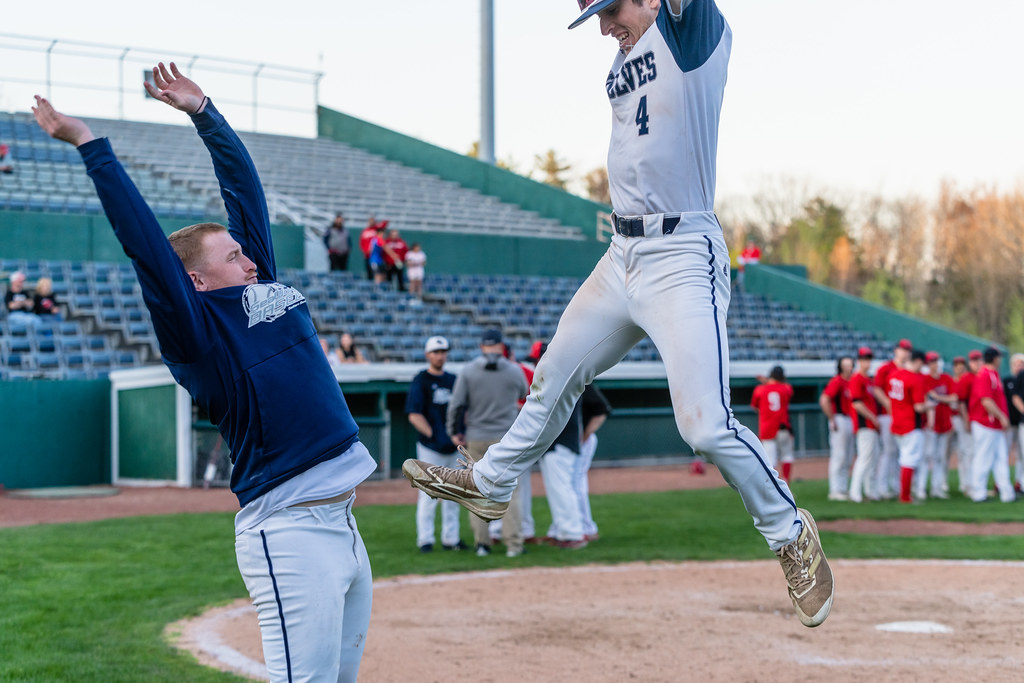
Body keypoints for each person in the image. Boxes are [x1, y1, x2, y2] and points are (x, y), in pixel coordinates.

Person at [404, 0, 833, 628]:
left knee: (706, 426)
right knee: (553, 374)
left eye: (612, 9)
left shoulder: (689, 33)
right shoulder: (626, 52)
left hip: (682, 252)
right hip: (621, 252)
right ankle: (493, 484)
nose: (605, 26)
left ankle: (790, 532)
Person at [32, 64, 377, 682]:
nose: (250, 256)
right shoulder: (196, 331)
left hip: (343, 522)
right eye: (233, 254)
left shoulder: (260, 285)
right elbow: (143, 245)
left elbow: (245, 191)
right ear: (195, 279)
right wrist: (91, 146)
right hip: (290, 530)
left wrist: (204, 113)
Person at [444, 328, 529, 558]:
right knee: (511, 491)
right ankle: (514, 544)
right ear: (501, 347)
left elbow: (456, 405)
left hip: (477, 438)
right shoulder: (514, 370)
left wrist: (454, 432)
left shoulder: (469, 371)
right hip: (507, 439)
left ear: (482, 346)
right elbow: (525, 393)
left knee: (478, 491)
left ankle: (482, 544)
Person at [406, 336, 465, 553]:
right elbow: (414, 415)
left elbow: (463, 411)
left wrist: (458, 434)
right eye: (436, 352)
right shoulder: (420, 380)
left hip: (453, 447)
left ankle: (452, 539)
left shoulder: (453, 379)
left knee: (454, 494)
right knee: (429, 494)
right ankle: (426, 540)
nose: (440, 355)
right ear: (427, 355)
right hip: (430, 448)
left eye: (443, 352)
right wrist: (434, 436)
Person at [967, 346, 1014, 503]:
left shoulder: (993, 374)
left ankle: (1007, 493)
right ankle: (978, 493)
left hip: (994, 425)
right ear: (995, 359)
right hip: (984, 423)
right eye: (999, 357)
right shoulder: (984, 375)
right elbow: (986, 401)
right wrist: (1002, 417)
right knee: (983, 458)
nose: (1000, 360)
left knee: (1001, 458)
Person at [884, 349, 929, 503]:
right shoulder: (915, 379)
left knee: (903, 459)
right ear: (918, 361)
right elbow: (919, 407)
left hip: (896, 422)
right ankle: (905, 496)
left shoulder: (893, 374)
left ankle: (902, 492)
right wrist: (931, 405)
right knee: (908, 460)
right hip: (911, 423)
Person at [872, 339, 913, 499]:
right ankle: (882, 486)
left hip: (904, 417)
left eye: (907, 350)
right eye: (903, 349)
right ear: (896, 350)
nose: (905, 352)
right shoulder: (886, 368)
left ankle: (896, 486)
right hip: (887, 415)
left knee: (900, 452)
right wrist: (890, 405)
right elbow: (877, 389)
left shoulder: (908, 370)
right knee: (888, 451)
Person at [917, 351, 956, 500]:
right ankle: (920, 488)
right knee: (927, 457)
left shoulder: (946, 378)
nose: (935, 364)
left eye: (936, 361)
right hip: (930, 424)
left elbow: (954, 397)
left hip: (945, 423)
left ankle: (936, 488)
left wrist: (939, 397)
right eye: (931, 362)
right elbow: (928, 398)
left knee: (940, 457)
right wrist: (942, 399)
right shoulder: (925, 379)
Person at [577, 382, 612, 540]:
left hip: (583, 440)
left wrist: (585, 435)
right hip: (575, 440)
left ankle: (587, 528)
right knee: (572, 484)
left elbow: (602, 410)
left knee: (577, 482)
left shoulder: (581, 382)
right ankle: (577, 527)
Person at [846, 347, 880, 503]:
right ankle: (855, 492)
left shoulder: (868, 379)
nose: (867, 362)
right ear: (859, 361)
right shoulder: (857, 378)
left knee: (873, 458)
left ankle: (870, 490)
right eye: (864, 359)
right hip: (864, 423)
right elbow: (856, 403)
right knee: (864, 458)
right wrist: (873, 417)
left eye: (869, 359)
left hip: (871, 424)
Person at [750, 365, 795, 483]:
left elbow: (755, 407)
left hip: (767, 428)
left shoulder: (760, 389)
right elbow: (785, 388)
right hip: (783, 427)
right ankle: (787, 487)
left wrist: (766, 382)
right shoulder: (786, 388)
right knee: (787, 456)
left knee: (770, 460)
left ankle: (775, 489)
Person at [819, 356, 854, 500]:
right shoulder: (837, 381)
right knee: (838, 456)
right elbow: (824, 399)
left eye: (850, 364)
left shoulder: (851, 381)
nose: (849, 367)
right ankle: (835, 490)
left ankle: (843, 488)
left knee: (848, 456)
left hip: (849, 419)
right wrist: (832, 418)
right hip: (839, 418)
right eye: (846, 365)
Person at [950, 355, 975, 495]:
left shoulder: (967, 380)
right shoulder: (950, 381)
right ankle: (942, 485)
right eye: (956, 365)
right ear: (953, 367)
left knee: (966, 452)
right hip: (949, 418)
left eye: (961, 365)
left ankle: (966, 484)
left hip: (960, 418)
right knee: (947, 454)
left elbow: (960, 401)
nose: (959, 367)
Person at [1002, 353, 1024, 492]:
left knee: (1021, 454)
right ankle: (1002, 482)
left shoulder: (1022, 378)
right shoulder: (1006, 381)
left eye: (1021, 363)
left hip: (1020, 422)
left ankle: (1019, 482)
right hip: (1009, 423)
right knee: (1005, 452)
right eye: (1016, 364)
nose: (1019, 366)